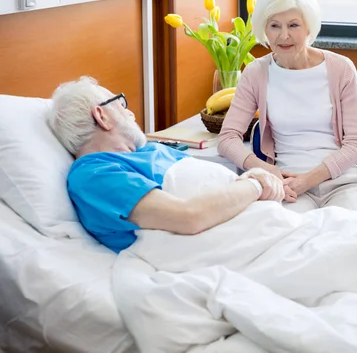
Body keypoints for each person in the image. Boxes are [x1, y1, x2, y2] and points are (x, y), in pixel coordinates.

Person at [48, 76, 285, 253]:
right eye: (120, 103)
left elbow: (215, 190)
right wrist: (255, 183)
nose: (130, 113)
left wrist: (253, 181)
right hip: (238, 246)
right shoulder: (94, 175)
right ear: (101, 116)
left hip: (265, 226)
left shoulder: (151, 150)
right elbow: (188, 217)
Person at [218, 0, 357, 216]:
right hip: (287, 186)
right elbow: (227, 139)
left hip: (344, 182)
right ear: (264, 29)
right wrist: (264, 169)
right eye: (274, 26)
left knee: (353, 242)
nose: (284, 35)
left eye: (293, 25)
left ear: (308, 28)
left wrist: (308, 179)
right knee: (287, 243)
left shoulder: (341, 68)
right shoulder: (256, 72)